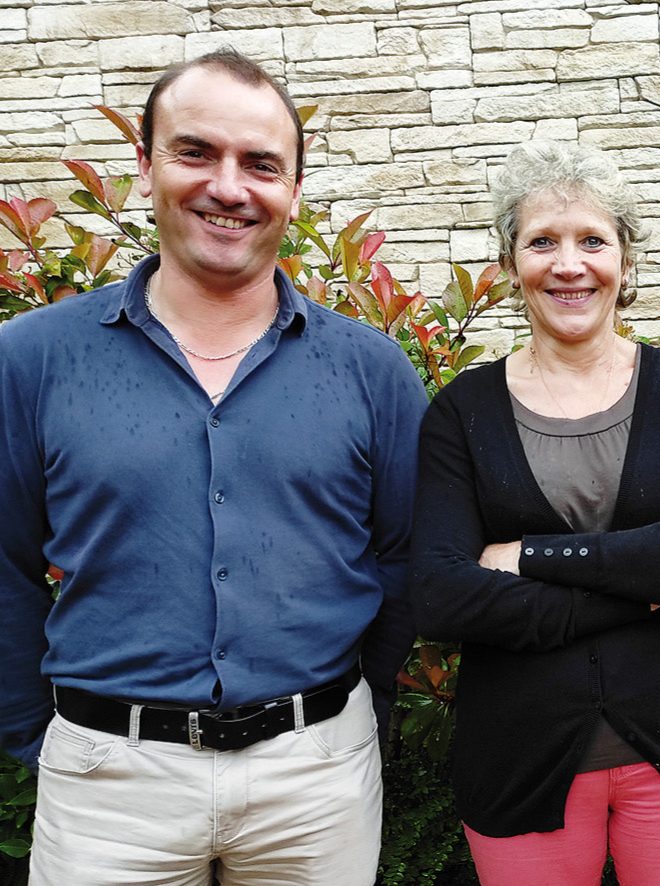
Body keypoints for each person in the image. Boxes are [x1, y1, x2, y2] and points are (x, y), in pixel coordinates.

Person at [0, 49, 427, 883]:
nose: (229, 187)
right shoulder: (31, 360)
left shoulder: (371, 371)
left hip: (317, 781)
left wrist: (343, 712)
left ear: (293, 190)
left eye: (260, 164)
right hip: (107, 787)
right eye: (196, 152)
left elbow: (405, 558)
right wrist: (36, 732)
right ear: (145, 164)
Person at [408, 140, 660, 886]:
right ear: (509, 267)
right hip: (518, 762)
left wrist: (526, 557)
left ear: (625, 263)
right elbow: (439, 596)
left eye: (592, 241)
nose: (569, 265)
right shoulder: (461, 413)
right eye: (542, 242)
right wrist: (659, 575)